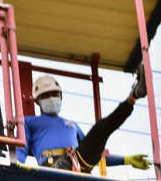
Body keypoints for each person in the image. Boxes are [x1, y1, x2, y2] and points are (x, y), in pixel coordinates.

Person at [16, 68, 151, 173]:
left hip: (77, 162)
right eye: (45, 96)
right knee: (99, 130)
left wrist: (125, 160)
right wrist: (17, 166)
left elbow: (93, 149)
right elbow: (21, 148)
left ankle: (134, 96)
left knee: (101, 128)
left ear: (61, 96)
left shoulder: (72, 125)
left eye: (54, 94)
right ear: (37, 102)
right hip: (53, 165)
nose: (51, 98)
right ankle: (133, 95)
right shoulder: (29, 122)